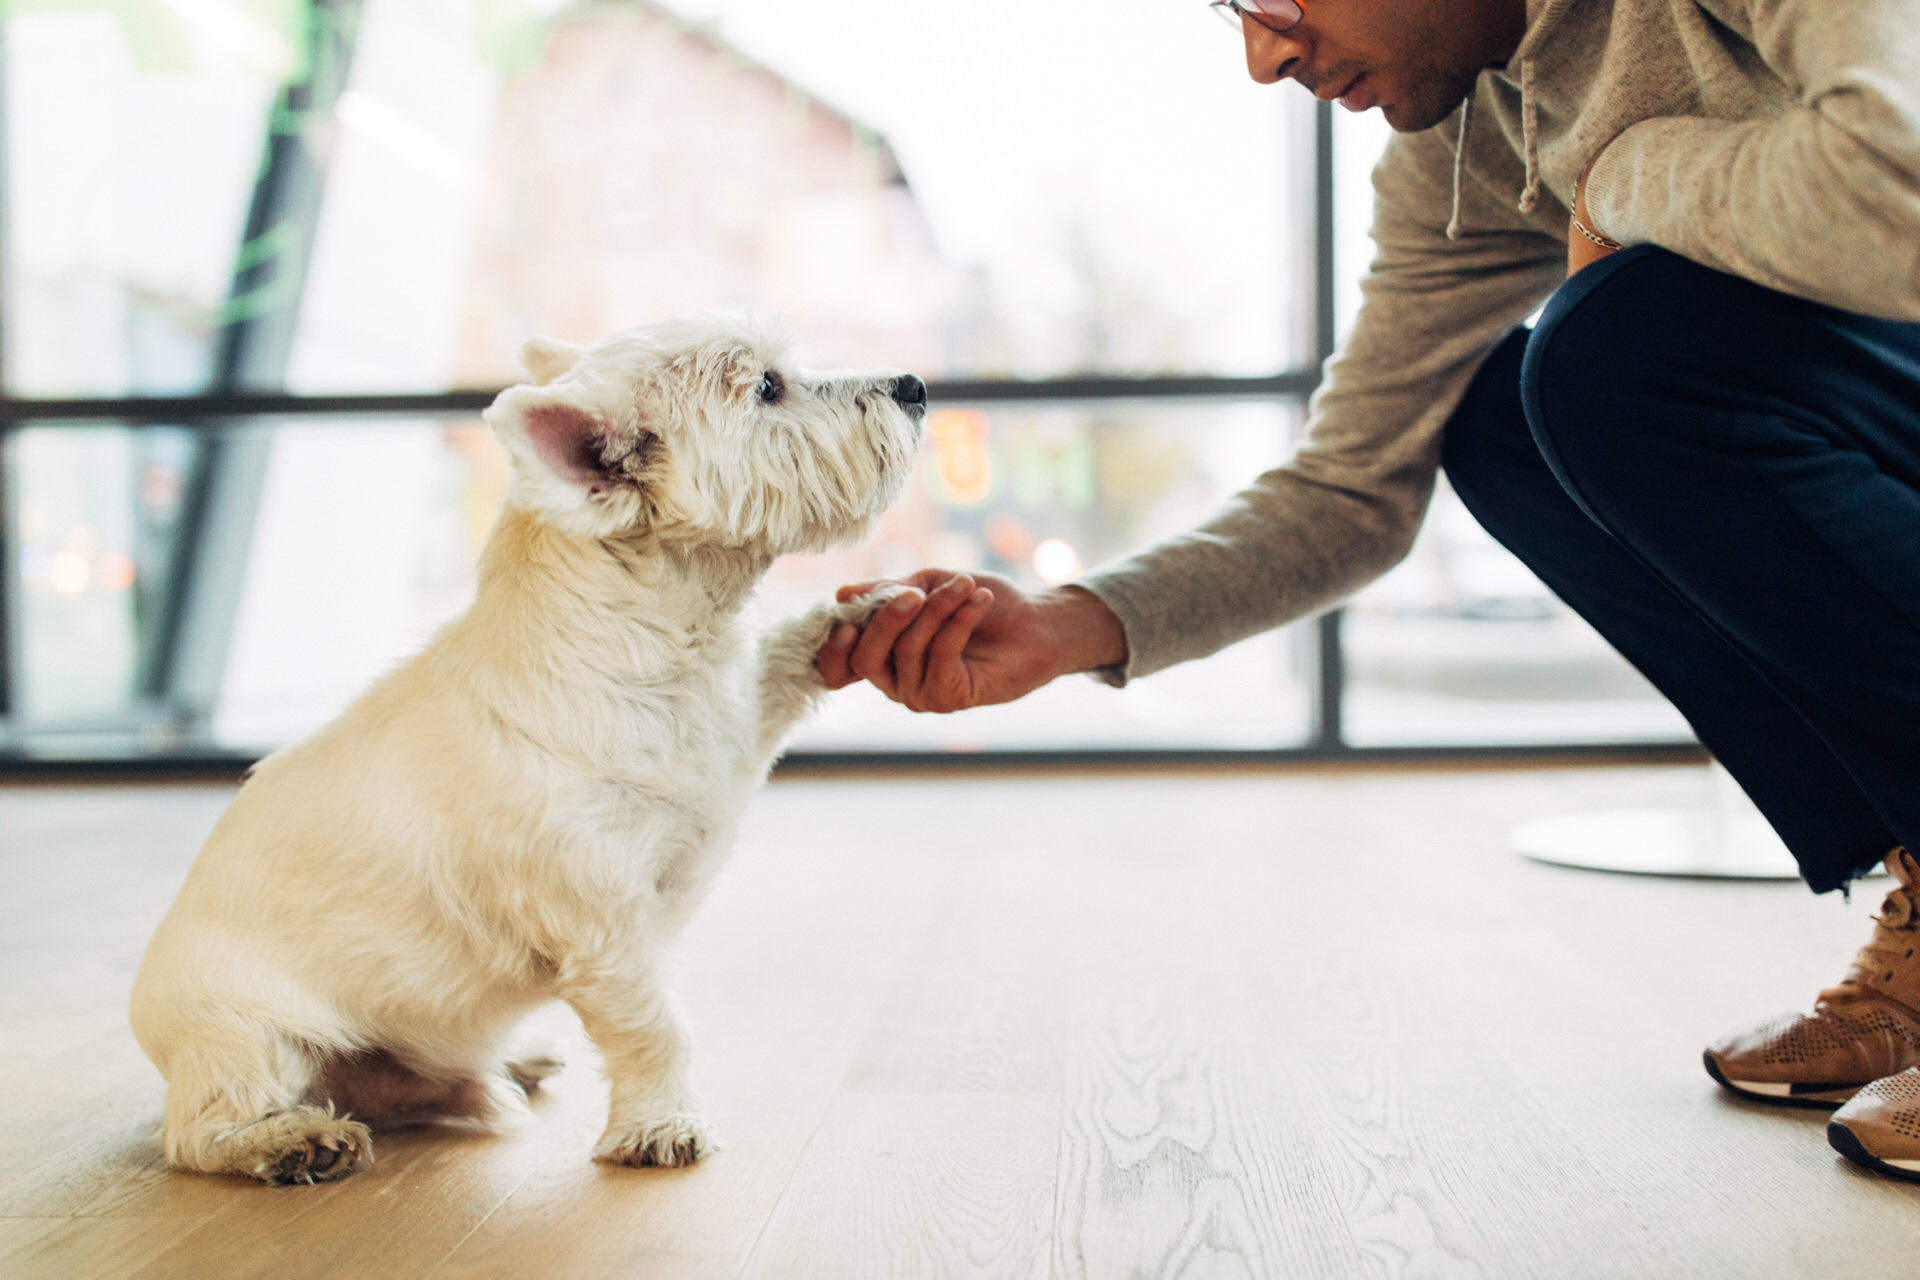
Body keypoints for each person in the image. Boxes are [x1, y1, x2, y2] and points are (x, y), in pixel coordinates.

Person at [814, 0, 1920, 1181]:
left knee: (1617, 349)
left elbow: (1896, 186)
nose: (1263, 55)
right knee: (1502, 421)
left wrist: (1619, 174)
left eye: (1275, 0)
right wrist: (1066, 626)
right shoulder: (1465, 143)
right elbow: (1354, 486)